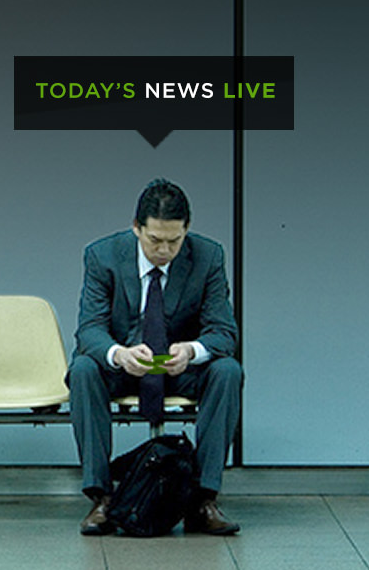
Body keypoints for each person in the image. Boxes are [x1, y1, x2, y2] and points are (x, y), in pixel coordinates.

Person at [69, 179, 242, 535]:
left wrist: (192, 351)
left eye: (174, 241)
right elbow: (89, 329)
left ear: (186, 231)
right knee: (84, 368)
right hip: (125, 366)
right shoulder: (102, 256)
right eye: (154, 240)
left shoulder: (208, 257)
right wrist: (118, 354)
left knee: (227, 371)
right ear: (137, 228)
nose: (164, 250)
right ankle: (102, 498)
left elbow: (224, 332)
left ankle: (203, 500)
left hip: (179, 369)